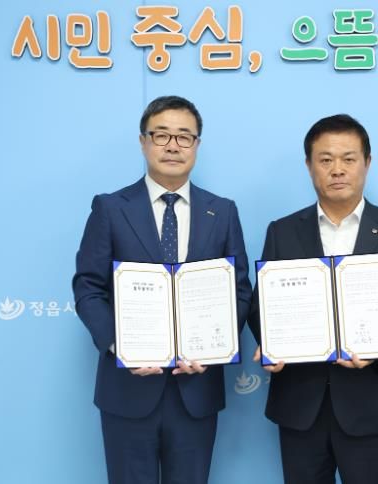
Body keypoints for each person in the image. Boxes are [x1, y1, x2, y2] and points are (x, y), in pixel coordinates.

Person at [73, 95, 251, 484]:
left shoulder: (222, 212)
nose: (173, 146)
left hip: (196, 388)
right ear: (144, 142)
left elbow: (239, 291)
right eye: (161, 135)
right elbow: (88, 286)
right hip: (127, 389)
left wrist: (216, 347)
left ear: (197, 145)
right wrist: (120, 346)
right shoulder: (110, 208)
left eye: (184, 136)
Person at [248, 114, 378, 484]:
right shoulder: (282, 231)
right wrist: (270, 344)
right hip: (300, 409)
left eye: (348, 159)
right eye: (325, 159)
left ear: (367, 162)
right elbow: (261, 307)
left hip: (371, 410)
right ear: (309, 165)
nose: (337, 169)